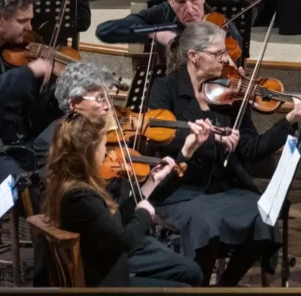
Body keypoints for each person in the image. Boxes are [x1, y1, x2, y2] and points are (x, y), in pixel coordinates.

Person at [146, 20, 301, 286]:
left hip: (223, 188)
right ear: (193, 56)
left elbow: (252, 149)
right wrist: (212, 141)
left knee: (263, 216)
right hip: (181, 188)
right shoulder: (166, 89)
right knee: (205, 224)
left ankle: (227, 286)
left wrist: (287, 121)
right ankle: (198, 287)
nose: (226, 60)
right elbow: (164, 136)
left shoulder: (230, 92)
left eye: (226, 53)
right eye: (218, 54)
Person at [35, 64, 205, 287]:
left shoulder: (100, 138)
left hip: (116, 233)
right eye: (99, 98)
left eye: (108, 96)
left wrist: (156, 178)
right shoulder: (58, 147)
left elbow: (116, 211)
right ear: (74, 103)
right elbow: (100, 223)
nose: (109, 106)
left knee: (192, 271)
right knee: (187, 279)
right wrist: (142, 214)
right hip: (101, 252)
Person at [0, 0, 57, 189]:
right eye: (22, 21)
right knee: (28, 187)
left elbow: (34, 112)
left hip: (21, 143)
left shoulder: (9, 51)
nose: (29, 28)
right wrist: (29, 73)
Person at [96, 0, 241, 56]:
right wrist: (154, 32)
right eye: (181, 1)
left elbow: (238, 63)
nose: (189, 9)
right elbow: (105, 31)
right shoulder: (161, 14)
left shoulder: (222, 25)